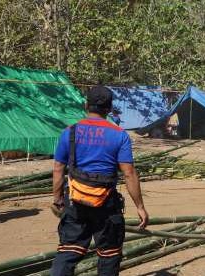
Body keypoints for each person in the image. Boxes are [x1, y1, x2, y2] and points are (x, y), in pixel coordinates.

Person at [50, 85, 149, 276]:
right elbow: (129, 173)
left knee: (69, 250)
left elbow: (58, 169)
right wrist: (140, 207)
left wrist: (57, 199)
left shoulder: (69, 132)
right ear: (110, 108)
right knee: (109, 255)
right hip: (106, 205)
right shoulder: (119, 135)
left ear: (86, 105)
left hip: (76, 201)